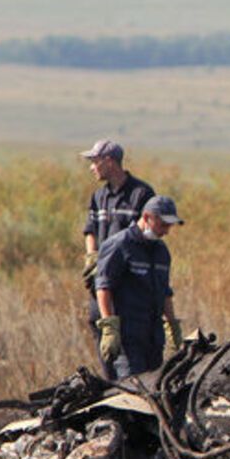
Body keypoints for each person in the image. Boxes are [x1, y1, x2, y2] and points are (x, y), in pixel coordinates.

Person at [80, 140, 155, 374]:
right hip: (102, 283)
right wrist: (92, 256)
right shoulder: (99, 196)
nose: (92, 167)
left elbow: (146, 235)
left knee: (129, 350)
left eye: (95, 161)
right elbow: (90, 230)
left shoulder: (141, 194)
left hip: (128, 285)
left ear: (110, 161)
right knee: (101, 331)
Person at [94, 195, 185, 379]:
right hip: (128, 338)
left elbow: (165, 292)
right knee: (135, 390)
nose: (166, 231)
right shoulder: (119, 245)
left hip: (153, 337)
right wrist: (109, 327)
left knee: (156, 387)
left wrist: (172, 324)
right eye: (163, 225)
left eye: (169, 226)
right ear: (146, 217)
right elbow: (103, 286)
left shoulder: (162, 252)